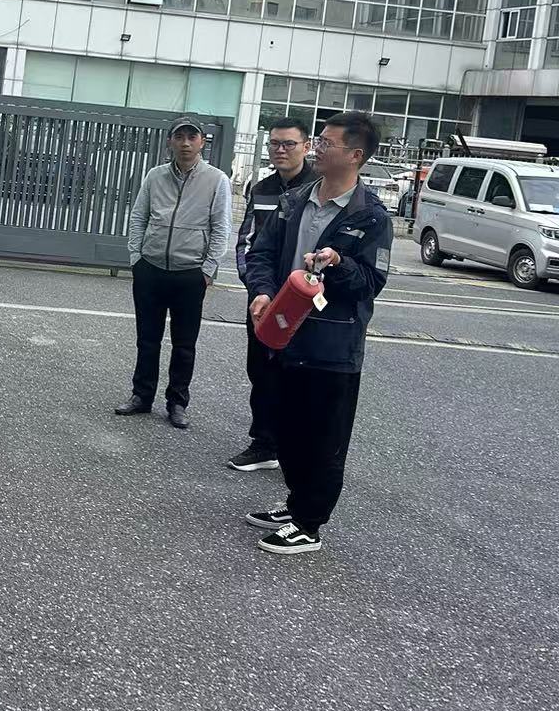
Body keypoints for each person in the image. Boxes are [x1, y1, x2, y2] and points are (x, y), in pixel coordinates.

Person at [243, 111, 392, 555]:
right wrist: (263, 291)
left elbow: (371, 283)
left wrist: (340, 264)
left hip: (332, 345)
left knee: (323, 438)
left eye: (327, 143)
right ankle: (296, 503)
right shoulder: (295, 200)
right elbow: (262, 253)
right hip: (282, 333)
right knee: (285, 428)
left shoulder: (371, 217)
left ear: (355, 155)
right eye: (319, 141)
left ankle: (309, 524)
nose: (317, 149)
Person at [115, 115, 232, 430]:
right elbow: (139, 216)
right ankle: (142, 396)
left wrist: (207, 269)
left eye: (192, 137)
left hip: (190, 273)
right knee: (147, 339)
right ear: (170, 142)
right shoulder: (155, 176)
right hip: (151, 269)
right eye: (179, 137)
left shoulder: (216, 180)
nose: (185, 143)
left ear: (202, 142)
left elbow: (221, 227)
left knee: (184, 344)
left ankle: (177, 402)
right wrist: (136, 257)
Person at [227, 117, 315, 471]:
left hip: (305, 303)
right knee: (261, 372)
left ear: (306, 147)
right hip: (263, 300)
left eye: (288, 144)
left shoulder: (319, 188)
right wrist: (257, 289)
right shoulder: (261, 189)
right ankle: (264, 444)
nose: (280, 150)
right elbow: (246, 243)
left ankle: (296, 450)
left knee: (301, 377)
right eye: (274, 144)